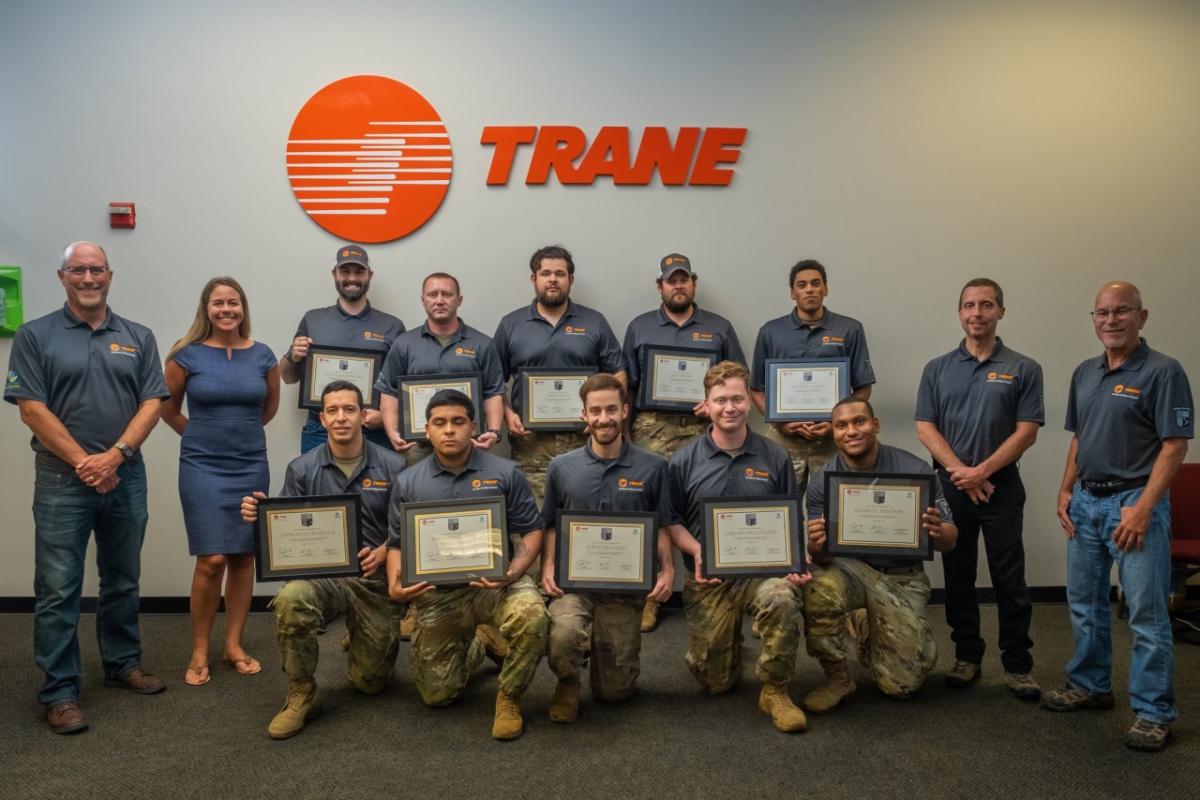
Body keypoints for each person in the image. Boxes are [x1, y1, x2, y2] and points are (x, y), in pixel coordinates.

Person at [4, 241, 168, 734]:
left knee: (122, 577)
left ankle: (122, 664)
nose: (89, 277)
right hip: (62, 479)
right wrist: (85, 463)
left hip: (125, 475)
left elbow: (152, 403)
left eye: (97, 269)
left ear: (110, 276)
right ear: (62, 277)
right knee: (58, 587)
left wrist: (115, 456)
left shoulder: (137, 336)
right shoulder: (36, 336)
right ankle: (59, 691)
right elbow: (31, 407)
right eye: (79, 270)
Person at [1043, 281, 1192, 753]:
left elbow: (1175, 445)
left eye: (1122, 311)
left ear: (1141, 317)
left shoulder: (1165, 372)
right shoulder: (1085, 373)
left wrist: (1144, 508)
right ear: (1094, 319)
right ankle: (1090, 685)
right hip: (1085, 503)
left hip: (1133, 503)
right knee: (1085, 602)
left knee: (1147, 615)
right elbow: (1078, 439)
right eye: (1103, 313)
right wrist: (1066, 490)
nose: (1111, 320)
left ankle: (1153, 713)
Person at [241, 381, 407, 739]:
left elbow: (409, 529)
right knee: (291, 598)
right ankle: (301, 691)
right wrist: (261, 515)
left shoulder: (395, 466)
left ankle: (362, 633)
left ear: (364, 416)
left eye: (349, 409)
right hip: (324, 578)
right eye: (332, 410)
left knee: (370, 683)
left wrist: (382, 550)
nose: (341, 418)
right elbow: (284, 531)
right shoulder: (302, 469)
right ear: (322, 417)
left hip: (373, 578)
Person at [386, 389, 548, 740]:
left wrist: (513, 573)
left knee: (533, 616)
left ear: (473, 426)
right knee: (437, 695)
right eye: (440, 423)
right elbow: (397, 544)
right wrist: (394, 582)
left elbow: (533, 531)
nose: (449, 430)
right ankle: (481, 643)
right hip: (440, 592)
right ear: (426, 429)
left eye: (458, 422)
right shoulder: (408, 482)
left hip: (495, 584)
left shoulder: (505, 472)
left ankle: (508, 696)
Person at [914, 278, 1043, 698]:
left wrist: (982, 471)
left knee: (1010, 576)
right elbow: (925, 426)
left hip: (1001, 485)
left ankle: (1017, 665)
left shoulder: (1024, 368)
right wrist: (961, 473)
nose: (977, 313)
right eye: (969, 305)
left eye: (986, 305)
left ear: (1000, 312)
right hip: (952, 486)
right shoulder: (937, 369)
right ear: (959, 313)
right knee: (958, 575)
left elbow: (1027, 432)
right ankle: (967, 656)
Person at [664, 361, 810, 732]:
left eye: (737, 399)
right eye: (720, 400)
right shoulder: (682, 461)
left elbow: (789, 513)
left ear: (749, 402)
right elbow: (671, 521)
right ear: (706, 404)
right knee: (716, 682)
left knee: (782, 597)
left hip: (760, 573)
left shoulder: (775, 456)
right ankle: (726, 646)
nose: (729, 407)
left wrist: (795, 557)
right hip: (708, 577)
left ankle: (775, 689)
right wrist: (697, 550)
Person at [802, 398, 958, 714]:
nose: (851, 431)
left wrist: (939, 533)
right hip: (851, 569)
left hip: (901, 575)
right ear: (834, 433)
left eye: (859, 421)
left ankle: (866, 622)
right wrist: (816, 545)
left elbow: (951, 541)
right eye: (842, 425)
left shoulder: (916, 471)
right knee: (816, 588)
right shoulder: (823, 481)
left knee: (902, 686)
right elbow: (820, 557)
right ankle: (838, 679)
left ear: (875, 424)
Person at [161, 277, 280, 686]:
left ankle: (233, 644)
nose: (226, 309)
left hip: (250, 464)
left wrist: (238, 433)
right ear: (206, 308)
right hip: (202, 466)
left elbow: (266, 410)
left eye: (233, 302)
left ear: (243, 307)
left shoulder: (263, 355)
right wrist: (201, 436)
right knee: (211, 560)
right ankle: (198, 649)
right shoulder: (185, 354)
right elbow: (168, 408)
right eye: (218, 303)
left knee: (244, 557)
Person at [539, 374, 675, 723]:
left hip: (624, 588)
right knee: (564, 634)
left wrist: (668, 569)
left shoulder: (654, 467)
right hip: (575, 584)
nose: (604, 418)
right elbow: (551, 523)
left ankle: (603, 656)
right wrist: (549, 567)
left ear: (625, 411)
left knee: (615, 693)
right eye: (595, 410)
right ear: (584, 414)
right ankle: (568, 681)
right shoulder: (562, 467)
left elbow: (661, 524)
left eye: (611, 409)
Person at [622, 253, 745, 631]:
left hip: (702, 431)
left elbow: (736, 379)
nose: (678, 285)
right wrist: (627, 436)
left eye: (684, 279)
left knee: (707, 504)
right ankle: (652, 593)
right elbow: (628, 383)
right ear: (660, 286)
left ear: (693, 282)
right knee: (649, 510)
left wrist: (713, 406)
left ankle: (716, 585)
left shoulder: (719, 327)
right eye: (670, 280)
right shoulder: (640, 327)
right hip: (651, 429)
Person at [493, 244, 626, 505]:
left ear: (570, 280)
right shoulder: (511, 324)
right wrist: (508, 415)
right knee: (533, 517)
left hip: (585, 439)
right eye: (545, 273)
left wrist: (604, 416)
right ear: (534, 279)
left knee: (586, 513)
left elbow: (618, 373)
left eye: (560, 274)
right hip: (530, 445)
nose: (552, 279)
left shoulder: (594, 322)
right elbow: (492, 380)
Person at [750, 259, 874, 494]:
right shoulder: (770, 331)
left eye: (816, 284)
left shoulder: (849, 329)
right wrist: (780, 423)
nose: (809, 289)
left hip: (832, 440)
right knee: (778, 505)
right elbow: (756, 388)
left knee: (835, 507)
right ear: (792, 292)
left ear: (825, 289)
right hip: (783, 439)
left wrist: (835, 424)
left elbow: (863, 388)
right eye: (802, 285)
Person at [279, 245, 404, 452]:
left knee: (376, 486)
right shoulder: (313, 319)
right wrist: (293, 357)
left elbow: (401, 386)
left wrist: (385, 417)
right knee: (316, 485)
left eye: (359, 272)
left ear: (369, 275)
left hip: (372, 432)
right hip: (320, 430)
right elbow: (288, 377)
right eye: (345, 271)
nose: (352, 278)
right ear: (334, 274)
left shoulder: (392, 326)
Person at [377, 272, 506, 464]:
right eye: (432, 294)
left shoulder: (482, 344)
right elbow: (389, 392)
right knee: (420, 493)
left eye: (446, 294)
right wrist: (392, 432)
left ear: (459, 300)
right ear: (423, 300)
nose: (439, 300)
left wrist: (494, 431)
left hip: (469, 446)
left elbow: (493, 392)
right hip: (419, 448)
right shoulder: (404, 344)